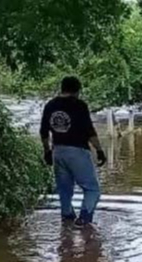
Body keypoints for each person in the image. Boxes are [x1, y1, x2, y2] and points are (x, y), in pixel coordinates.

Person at [40, 76, 107, 227]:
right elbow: (89, 131)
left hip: (58, 151)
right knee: (92, 189)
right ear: (77, 90)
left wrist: (47, 152)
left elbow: (44, 132)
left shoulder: (50, 105)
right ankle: (83, 220)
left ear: (62, 88)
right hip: (78, 152)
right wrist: (99, 150)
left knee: (64, 190)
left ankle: (67, 218)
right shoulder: (79, 105)